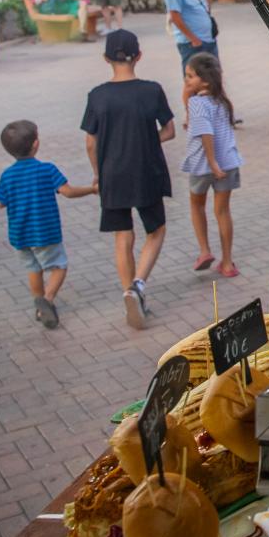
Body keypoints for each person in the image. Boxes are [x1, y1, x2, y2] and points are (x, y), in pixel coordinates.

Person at [80, 29, 175, 329]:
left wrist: (97, 175)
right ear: (139, 56)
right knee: (156, 230)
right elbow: (170, 130)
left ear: (106, 58)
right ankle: (138, 286)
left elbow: (90, 143)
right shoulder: (152, 90)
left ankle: (128, 294)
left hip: (112, 174)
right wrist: (146, 141)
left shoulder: (97, 95)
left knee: (123, 237)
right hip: (147, 170)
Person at [0, 119, 97, 328]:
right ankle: (47, 300)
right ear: (35, 144)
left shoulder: (7, 175)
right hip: (45, 231)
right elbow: (68, 192)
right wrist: (92, 189)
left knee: (33, 268)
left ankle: (38, 304)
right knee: (59, 266)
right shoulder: (47, 169)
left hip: (19, 234)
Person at [180, 53, 242, 279]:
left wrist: (212, 163)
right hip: (229, 162)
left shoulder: (197, 103)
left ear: (204, 81)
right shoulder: (221, 102)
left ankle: (205, 251)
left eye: (190, 76)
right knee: (223, 211)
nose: (186, 80)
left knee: (197, 204)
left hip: (204, 165)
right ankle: (227, 263)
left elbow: (206, 133)